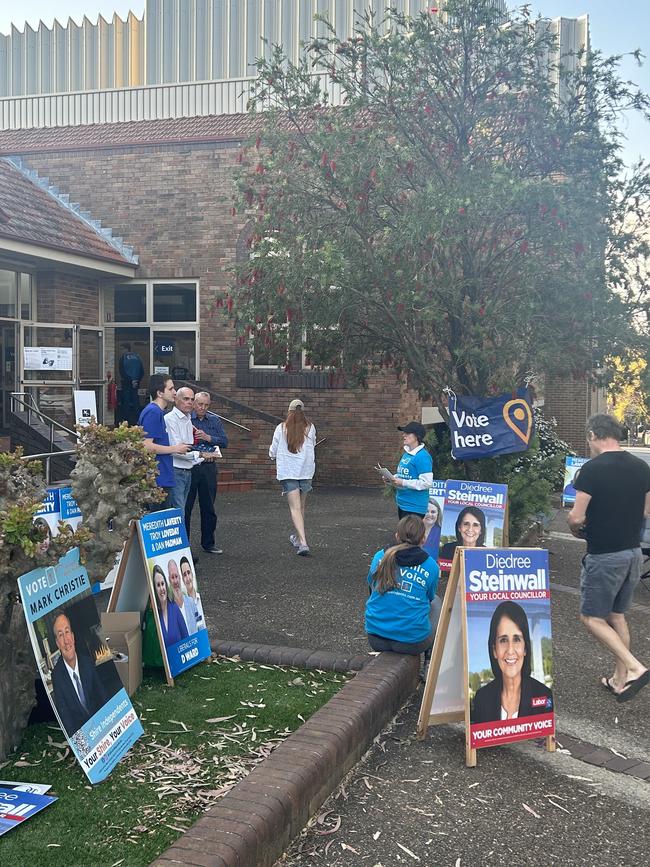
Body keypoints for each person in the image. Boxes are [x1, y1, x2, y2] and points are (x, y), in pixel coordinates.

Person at [568, 413, 650, 702]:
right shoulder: (642, 467)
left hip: (604, 555)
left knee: (591, 617)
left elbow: (577, 516)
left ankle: (634, 667)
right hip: (633, 553)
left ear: (593, 435)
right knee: (616, 615)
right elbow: (645, 511)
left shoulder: (592, 469)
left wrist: (575, 524)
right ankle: (619, 680)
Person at [365, 516, 441, 669]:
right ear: (423, 539)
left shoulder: (380, 556)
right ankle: (429, 663)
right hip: (412, 642)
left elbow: (371, 587)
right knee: (437, 602)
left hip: (376, 637)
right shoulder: (431, 566)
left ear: (397, 536)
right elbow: (429, 597)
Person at [471, 601, 553, 723]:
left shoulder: (543, 695)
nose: (510, 650)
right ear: (494, 650)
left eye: (517, 639)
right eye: (503, 640)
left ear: (525, 648)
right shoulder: (482, 698)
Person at [269, 398, 316, 556]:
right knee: (301, 507)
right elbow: (312, 445)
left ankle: (303, 543)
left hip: (288, 472)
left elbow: (273, 449)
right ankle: (297, 537)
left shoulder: (281, 428)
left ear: (289, 411)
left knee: (294, 508)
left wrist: (272, 456)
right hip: (306, 471)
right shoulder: (310, 427)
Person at [185, 391, 229, 554]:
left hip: (208, 467)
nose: (202, 408)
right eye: (199, 404)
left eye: (206, 405)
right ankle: (185, 544)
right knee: (186, 506)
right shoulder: (187, 419)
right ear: (194, 403)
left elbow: (224, 441)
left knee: (208, 506)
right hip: (190, 465)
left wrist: (208, 437)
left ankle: (208, 543)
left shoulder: (214, 420)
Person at [50, 611, 107, 736]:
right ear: (57, 643)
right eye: (60, 635)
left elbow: (102, 696)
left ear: (73, 636)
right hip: (83, 735)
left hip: (101, 726)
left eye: (67, 632)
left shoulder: (87, 662)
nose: (66, 641)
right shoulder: (57, 676)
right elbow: (66, 718)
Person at [138, 374, 190, 508]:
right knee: (160, 521)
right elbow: (146, 445)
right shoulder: (153, 412)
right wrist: (175, 448)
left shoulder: (158, 412)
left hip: (163, 477)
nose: (174, 392)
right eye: (171, 389)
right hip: (157, 479)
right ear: (160, 393)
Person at [163, 387, 207, 513]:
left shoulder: (188, 419)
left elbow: (189, 446)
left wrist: (199, 454)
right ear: (176, 399)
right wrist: (201, 454)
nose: (189, 402)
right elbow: (177, 449)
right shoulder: (170, 419)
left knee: (183, 510)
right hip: (175, 470)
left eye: (192, 399)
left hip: (188, 470)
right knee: (177, 511)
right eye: (186, 399)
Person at [382, 422, 433, 518]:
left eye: (408, 433)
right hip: (403, 503)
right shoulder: (407, 454)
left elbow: (426, 483)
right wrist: (391, 478)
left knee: (408, 533)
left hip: (414, 506)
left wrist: (403, 482)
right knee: (403, 532)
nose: (404, 435)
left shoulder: (422, 456)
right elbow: (404, 475)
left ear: (417, 436)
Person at [152, 563, 188, 647]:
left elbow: (186, 637)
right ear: (154, 589)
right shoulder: (153, 615)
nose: (161, 588)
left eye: (162, 584)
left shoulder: (174, 607)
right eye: (158, 585)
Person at [167, 557, 199, 636]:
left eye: (176, 576)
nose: (175, 581)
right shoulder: (168, 609)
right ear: (169, 580)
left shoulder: (190, 601)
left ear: (180, 577)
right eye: (172, 577)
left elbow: (200, 625)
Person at [118, 342, 144, 425]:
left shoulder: (123, 357)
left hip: (126, 383)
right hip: (136, 383)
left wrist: (130, 380)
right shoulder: (138, 357)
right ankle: (138, 420)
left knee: (126, 401)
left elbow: (122, 371)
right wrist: (136, 380)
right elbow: (142, 371)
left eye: (121, 349)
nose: (120, 351)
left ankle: (127, 421)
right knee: (136, 401)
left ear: (126, 349)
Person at [180, 555, 205, 631]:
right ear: (182, 579)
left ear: (192, 573)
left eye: (188, 572)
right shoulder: (184, 606)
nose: (188, 578)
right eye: (184, 575)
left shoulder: (199, 599)